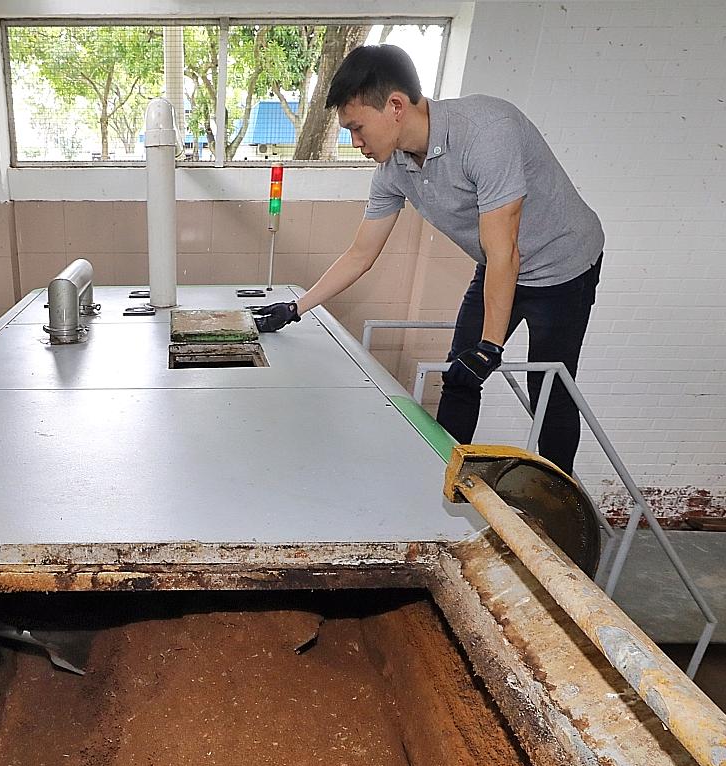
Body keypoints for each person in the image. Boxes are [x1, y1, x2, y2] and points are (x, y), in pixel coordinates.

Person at [251, 44, 604, 474]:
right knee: (459, 377)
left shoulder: (488, 132)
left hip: (562, 269)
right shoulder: (392, 169)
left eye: (358, 127)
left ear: (395, 106)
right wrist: (294, 308)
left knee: (548, 391)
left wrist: (490, 347)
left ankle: (557, 513)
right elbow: (361, 253)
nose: (355, 141)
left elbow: (504, 251)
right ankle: (442, 483)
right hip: (496, 264)